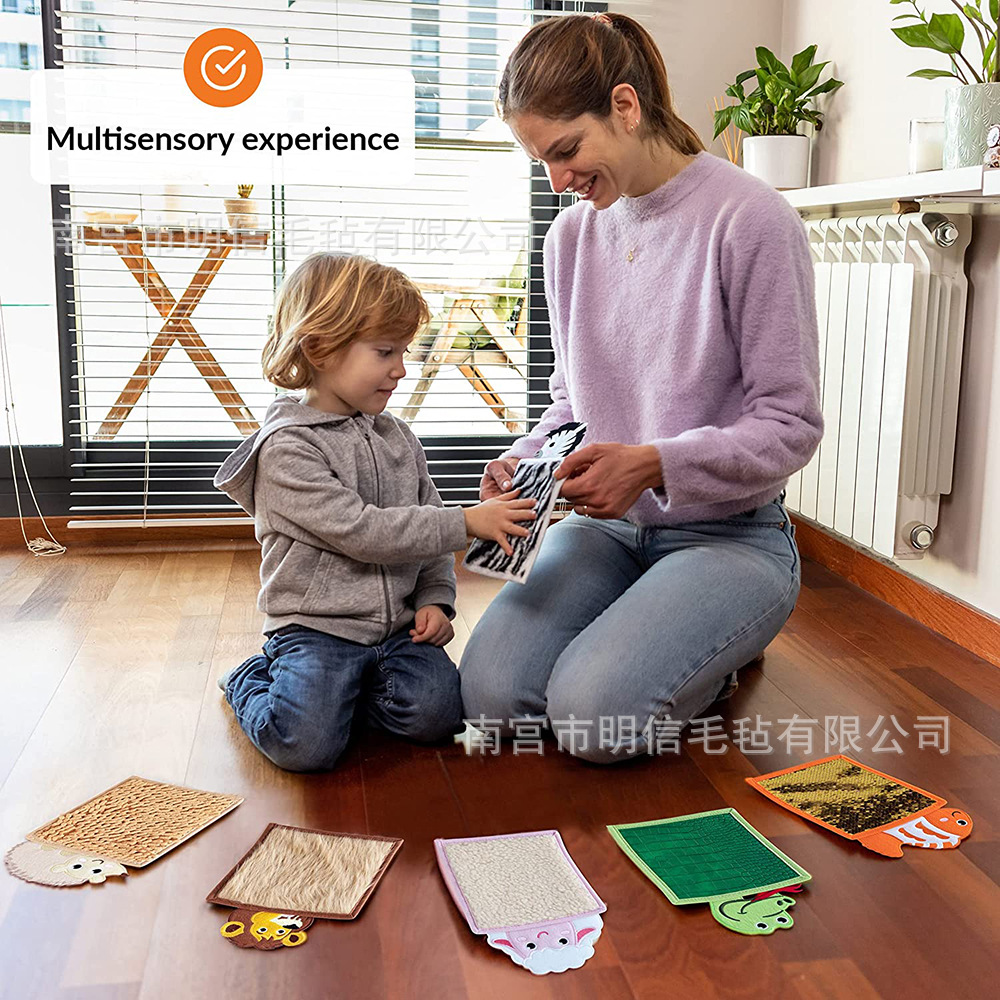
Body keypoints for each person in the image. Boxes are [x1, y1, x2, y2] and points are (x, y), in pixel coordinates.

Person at [459, 13, 824, 763]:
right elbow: (572, 399)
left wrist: (656, 463)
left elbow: (790, 424)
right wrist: (525, 455)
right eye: (542, 162)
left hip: (729, 537)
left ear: (626, 106)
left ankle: (714, 654)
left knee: (594, 720)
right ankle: (652, 636)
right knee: (491, 695)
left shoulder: (750, 220)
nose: (559, 181)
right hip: (605, 531)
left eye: (566, 151)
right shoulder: (572, 238)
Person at [214, 252, 537, 771]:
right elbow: (363, 531)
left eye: (405, 352)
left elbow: (423, 523)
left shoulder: (398, 438)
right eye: (386, 352)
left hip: (393, 632)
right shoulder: (287, 451)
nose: (402, 369)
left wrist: (437, 600)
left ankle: (342, 696)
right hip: (316, 629)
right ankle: (252, 680)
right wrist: (466, 521)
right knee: (306, 747)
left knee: (440, 716)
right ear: (319, 348)